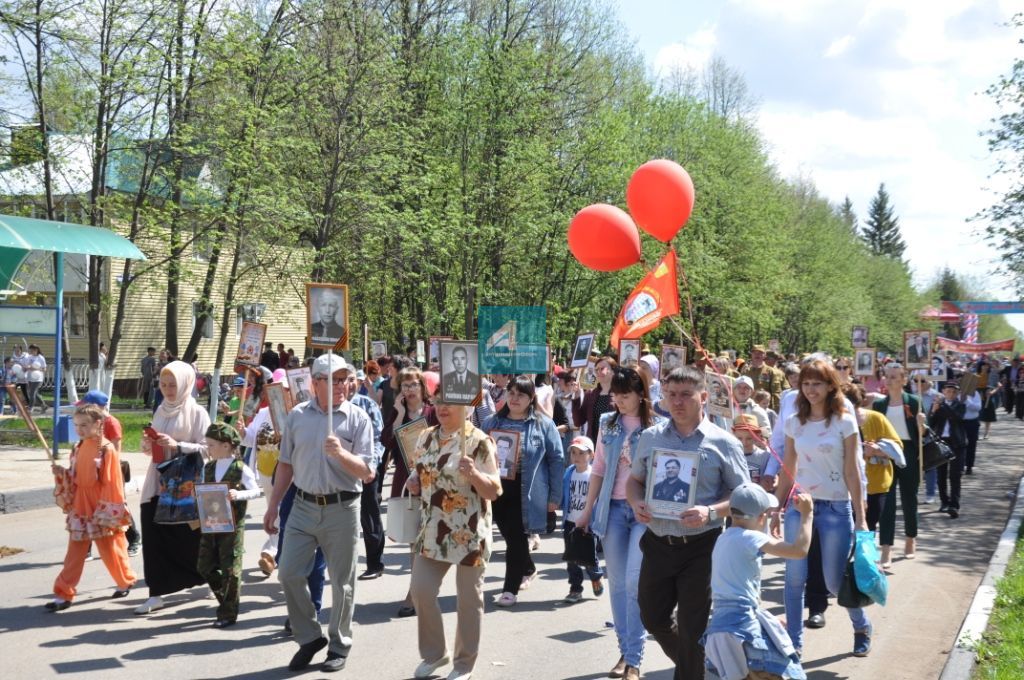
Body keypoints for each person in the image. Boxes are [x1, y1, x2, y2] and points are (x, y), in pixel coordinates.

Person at [626, 366, 750, 680]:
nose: (677, 401)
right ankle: (695, 661)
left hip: (702, 546)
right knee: (653, 618)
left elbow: (743, 495)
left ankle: (691, 666)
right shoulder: (651, 437)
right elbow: (635, 481)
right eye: (671, 395)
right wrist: (635, 501)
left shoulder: (724, 442)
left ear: (704, 397)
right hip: (657, 543)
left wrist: (711, 512)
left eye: (685, 394)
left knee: (694, 628)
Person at [263, 353, 373, 673]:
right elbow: (286, 463)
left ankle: (339, 645)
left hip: (342, 507)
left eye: (344, 379)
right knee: (288, 572)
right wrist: (273, 506)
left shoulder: (357, 418)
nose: (342, 385)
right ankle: (309, 637)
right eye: (333, 379)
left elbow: (367, 471)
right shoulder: (297, 416)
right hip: (302, 505)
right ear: (315, 383)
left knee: (343, 582)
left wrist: (341, 454)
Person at [772, 359, 872, 659]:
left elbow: (852, 469)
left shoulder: (844, 420)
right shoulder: (793, 421)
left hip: (835, 508)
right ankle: (793, 643)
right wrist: (777, 506)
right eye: (806, 383)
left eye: (817, 383)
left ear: (831, 386)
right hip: (799, 506)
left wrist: (861, 517)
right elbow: (788, 466)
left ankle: (861, 625)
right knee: (793, 577)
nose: (811, 389)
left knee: (833, 579)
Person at [405, 388, 502, 680]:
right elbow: (419, 472)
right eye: (438, 401)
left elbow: (494, 490)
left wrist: (474, 474)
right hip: (433, 530)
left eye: (450, 401)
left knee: (468, 600)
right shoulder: (426, 436)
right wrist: (413, 480)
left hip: (469, 533)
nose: (443, 407)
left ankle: (463, 664)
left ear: (467, 404)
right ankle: (435, 654)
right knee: (421, 591)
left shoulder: (479, 441)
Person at [576, 368, 663, 679]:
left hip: (642, 512)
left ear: (641, 393)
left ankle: (634, 658)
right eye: (615, 395)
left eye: (624, 396)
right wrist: (587, 511)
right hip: (611, 510)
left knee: (633, 581)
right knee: (617, 583)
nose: (618, 401)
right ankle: (624, 652)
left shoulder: (658, 427)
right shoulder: (607, 423)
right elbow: (598, 468)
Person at [702, 484, 811, 680]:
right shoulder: (751, 538)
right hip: (742, 628)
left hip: (719, 629)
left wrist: (763, 619)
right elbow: (799, 550)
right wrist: (807, 515)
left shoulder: (722, 539)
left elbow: (734, 593)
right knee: (788, 674)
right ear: (761, 518)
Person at [134, 361, 211, 615]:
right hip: (158, 482)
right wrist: (149, 444)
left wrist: (178, 445)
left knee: (190, 538)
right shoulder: (160, 410)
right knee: (153, 534)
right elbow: (156, 449)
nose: (167, 389)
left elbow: (209, 449)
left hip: (184, 487)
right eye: (164, 384)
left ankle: (209, 575)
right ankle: (155, 592)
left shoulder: (197, 413)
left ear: (186, 384)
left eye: (173, 384)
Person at [482, 375, 563, 607]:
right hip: (496, 489)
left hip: (527, 490)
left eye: (521, 394)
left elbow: (556, 460)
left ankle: (509, 590)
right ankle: (527, 567)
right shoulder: (490, 423)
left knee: (517, 538)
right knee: (509, 535)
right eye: (512, 393)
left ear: (531, 399)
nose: (515, 398)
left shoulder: (543, 424)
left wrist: (554, 497)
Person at [46, 403, 136, 611]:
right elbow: (75, 477)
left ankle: (125, 580)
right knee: (74, 551)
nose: (80, 429)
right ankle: (64, 593)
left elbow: (112, 481)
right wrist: (62, 473)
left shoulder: (106, 449)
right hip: (81, 503)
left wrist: (107, 511)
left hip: (101, 504)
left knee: (111, 548)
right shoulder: (78, 447)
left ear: (98, 423)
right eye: (77, 425)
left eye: (84, 425)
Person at [197, 422, 262, 627]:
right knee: (204, 566)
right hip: (211, 523)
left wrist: (239, 494)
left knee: (231, 571)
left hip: (232, 525)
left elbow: (257, 491)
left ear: (226, 446)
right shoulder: (208, 467)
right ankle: (224, 599)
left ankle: (228, 612)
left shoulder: (240, 468)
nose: (209, 449)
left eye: (212, 445)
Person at [872, 363, 924, 568]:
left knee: (909, 498)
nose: (890, 380)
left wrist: (922, 423)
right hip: (887, 454)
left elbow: (924, 434)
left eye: (895, 377)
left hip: (909, 452)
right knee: (887, 502)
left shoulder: (914, 401)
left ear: (904, 379)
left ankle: (911, 538)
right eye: (888, 376)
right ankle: (886, 547)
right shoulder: (879, 405)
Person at [344, 372, 386, 580]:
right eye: (345, 379)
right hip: (341, 473)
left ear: (359, 382)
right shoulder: (330, 408)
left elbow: (379, 438)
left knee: (369, 517)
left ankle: (374, 564)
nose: (349, 384)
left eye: (353, 379)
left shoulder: (367, 405)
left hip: (366, 471)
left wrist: (370, 466)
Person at [842, 382, 899, 535]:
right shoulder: (834, 422)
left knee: (868, 528)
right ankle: (849, 557)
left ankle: (863, 557)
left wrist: (877, 450)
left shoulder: (877, 418)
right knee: (848, 528)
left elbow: (898, 448)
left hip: (876, 484)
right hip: (845, 486)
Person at [560, 435, 604, 604]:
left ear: (592, 455)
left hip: (589, 523)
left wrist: (592, 521)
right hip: (570, 521)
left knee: (588, 557)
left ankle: (596, 576)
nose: (576, 457)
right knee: (571, 558)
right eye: (573, 453)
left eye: (581, 453)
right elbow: (566, 494)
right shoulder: (568, 472)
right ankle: (575, 589)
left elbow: (598, 500)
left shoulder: (594, 474)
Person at [930, 381, 967, 519]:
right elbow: (930, 423)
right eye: (948, 391)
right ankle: (944, 501)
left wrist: (942, 405)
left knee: (955, 475)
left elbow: (956, 416)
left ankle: (954, 505)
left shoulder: (960, 405)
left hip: (957, 442)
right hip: (941, 442)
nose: (950, 394)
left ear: (957, 393)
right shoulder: (938, 405)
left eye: (953, 392)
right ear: (944, 392)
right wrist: (933, 411)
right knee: (941, 474)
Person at [572, 356, 618, 439]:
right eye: (596, 370)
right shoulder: (590, 394)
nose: (599, 372)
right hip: (593, 444)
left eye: (602, 369)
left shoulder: (621, 394)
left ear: (613, 371)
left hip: (613, 444)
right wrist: (577, 397)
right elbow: (578, 421)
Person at [742, 344, 786, 412]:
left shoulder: (772, 372)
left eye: (760, 353)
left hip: (766, 409)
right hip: (749, 408)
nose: (757, 355)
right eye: (754, 353)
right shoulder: (746, 372)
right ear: (751, 355)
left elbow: (776, 393)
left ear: (764, 355)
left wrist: (776, 410)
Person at [25, 344, 47, 413]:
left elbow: (44, 369)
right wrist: (28, 367)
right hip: (30, 378)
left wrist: (36, 368)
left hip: (38, 378)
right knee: (33, 393)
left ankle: (30, 408)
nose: (30, 351)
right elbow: (27, 365)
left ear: (36, 350)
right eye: (30, 350)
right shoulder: (29, 357)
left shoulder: (41, 357)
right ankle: (43, 405)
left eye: (32, 350)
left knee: (32, 393)